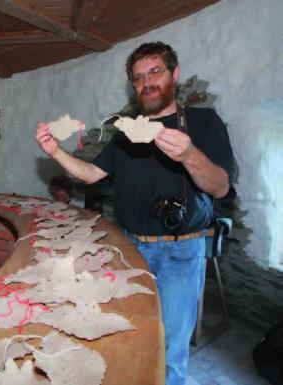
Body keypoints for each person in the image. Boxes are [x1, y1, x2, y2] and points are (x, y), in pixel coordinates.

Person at [36, 42, 235, 385]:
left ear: (175, 73)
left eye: (156, 71)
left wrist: (189, 154)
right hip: (131, 248)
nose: (147, 82)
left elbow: (220, 186)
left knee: (171, 344)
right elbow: (90, 175)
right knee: (131, 329)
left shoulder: (203, 122)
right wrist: (55, 152)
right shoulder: (128, 132)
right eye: (139, 78)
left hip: (180, 251)